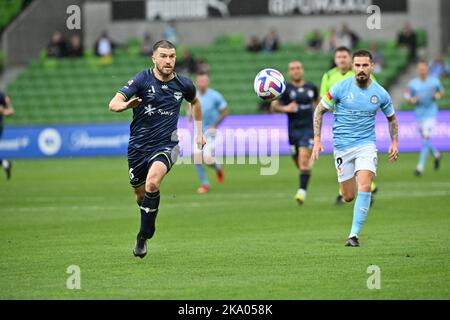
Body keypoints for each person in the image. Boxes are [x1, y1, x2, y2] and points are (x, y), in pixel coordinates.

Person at [108, 40, 205, 258]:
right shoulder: (142, 79)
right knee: (139, 194)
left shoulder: (184, 84)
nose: (168, 60)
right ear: (154, 58)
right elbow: (113, 103)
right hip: (138, 148)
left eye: (172, 56)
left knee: (153, 183)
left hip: (167, 145)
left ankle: (143, 235)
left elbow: (195, 103)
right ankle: (146, 222)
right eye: (163, 56)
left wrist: (199, 132)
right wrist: (125, 105)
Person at [312, 50, 399, 247]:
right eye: (358, 65)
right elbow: (319, 110)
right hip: (342, 147)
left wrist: (394, 142)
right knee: (348, 196)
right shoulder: (340, 87)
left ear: (372, 67)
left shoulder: (380, 93)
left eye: (365, 65)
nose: (361, 69)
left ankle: (353, 236)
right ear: (352, 66)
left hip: (366, 145)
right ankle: (352, 221)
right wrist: (317, 139)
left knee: (365, 184)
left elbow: (392, 118)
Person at [320, 46, 379, 205]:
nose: (341, 59)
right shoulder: (329, 76)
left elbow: (376, 93)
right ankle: (359, 188)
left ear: (350, 60)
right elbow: (323, 99)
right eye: (338, 57)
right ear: (335, 60)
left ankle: (366, 187)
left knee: (361, 157)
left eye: (344, 56)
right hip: (341, 125)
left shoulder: (360, 74)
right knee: (348, 160)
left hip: (361, 127)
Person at [271, 61, 319, 204]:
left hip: (308, 130)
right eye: (292, 69)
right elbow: (273, 107)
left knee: (303, 162)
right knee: (300, 165)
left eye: (298, 68)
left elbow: (319, 103)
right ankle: (306, 169)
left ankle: (301, 192)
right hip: (293, 132)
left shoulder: (311, 87)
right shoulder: (285, 89)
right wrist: (286, 109)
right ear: (289, 72)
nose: (296, 71)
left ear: (302, 70)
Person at [189, 72, 228, 193]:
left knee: (206, 159)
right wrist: (190, 117)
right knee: (196, 158)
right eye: (200, 81)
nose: (202, 83)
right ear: (196, 82)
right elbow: (190, 107)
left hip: (210, 132)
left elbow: (225, 111)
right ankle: (204, 184)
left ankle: (217, 167)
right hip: (198, 130)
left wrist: (215, 125)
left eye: (204, 81)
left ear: (208, 82)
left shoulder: (215, 96)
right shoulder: (193, 95)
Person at [406, 61, 444, 176]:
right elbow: (409, 98)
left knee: (425, 139)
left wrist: (437, 95)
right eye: (420, 69)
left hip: (431, 113)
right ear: (418, 70)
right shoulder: (413, 83)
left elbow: (441, 92)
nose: (422, 71)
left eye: (424, 69)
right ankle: (436, 154)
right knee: (425, 140)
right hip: (419, 114)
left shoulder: (434, 81)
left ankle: (420, 167)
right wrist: (413, 100)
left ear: (427, 69)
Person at [0, 90, 14, 179]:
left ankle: (5, 163)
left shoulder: (1, 96)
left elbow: (11, 111)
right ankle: (5, 163)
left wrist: (3, 111)